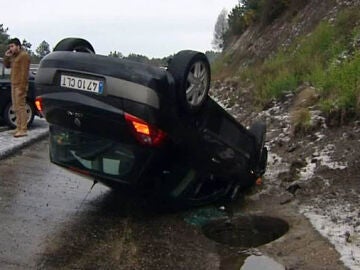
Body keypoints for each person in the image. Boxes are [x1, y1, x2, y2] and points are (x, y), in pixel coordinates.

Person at [3, 38, 31, 137]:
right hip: (14, 83)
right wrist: (7, 56)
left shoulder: (24, 56)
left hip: (20, 85)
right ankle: (18, 127)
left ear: (18, 46)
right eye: (9, 46)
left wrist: (22, 87)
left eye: (12, 46)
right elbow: (7, 66)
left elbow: (25, 73)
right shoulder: (14, 56)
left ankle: (23, 129)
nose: (11, 48)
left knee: (20, 107)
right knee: (15, 107)